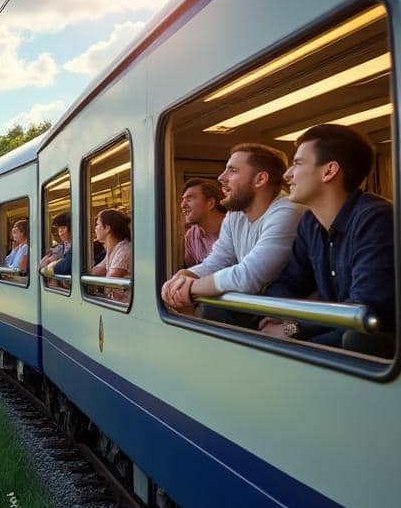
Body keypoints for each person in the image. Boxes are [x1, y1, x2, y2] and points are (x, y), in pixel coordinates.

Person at [258, 125, 394, 356]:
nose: (287, 174)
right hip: (336, 333)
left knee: (356, 339)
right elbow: (291, 280)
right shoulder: (310, 222)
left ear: (329, 171)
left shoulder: (376, 219)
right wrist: (271, 314)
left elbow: (365, 310)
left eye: (298, 163)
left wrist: (293, 329)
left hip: (377, 348)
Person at [161, 143, 304, 325]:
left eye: (233, 171)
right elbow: (217, 262)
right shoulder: (236, 214)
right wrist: (185, 275)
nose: (221, 177)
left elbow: (248, 276)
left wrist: (190, 287)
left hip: (289, 322)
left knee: (212, 310)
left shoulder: (288, 211)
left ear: (260, 179)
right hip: (262, 312)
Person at [180, 178, 226, 267]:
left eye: (189, 199)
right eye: (183, 200)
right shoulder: (191, 236)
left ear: (210, 203)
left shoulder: (236, 228)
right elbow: (193, 271)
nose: (182, 205)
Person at [90, 209, 132, 302]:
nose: (95, 228)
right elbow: (95, 272)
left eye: (97, 224)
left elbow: (110, 281)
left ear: (107, 228)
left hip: (124, 305)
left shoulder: (124, 250)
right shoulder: (114, 249)